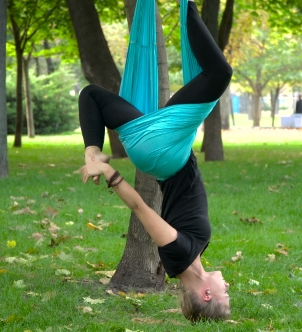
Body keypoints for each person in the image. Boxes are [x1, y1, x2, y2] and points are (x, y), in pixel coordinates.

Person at [78, 0, 231, 322]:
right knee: (92, 95)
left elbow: (142, 209)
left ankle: (187, 4)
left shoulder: (178, 255)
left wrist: (109, 172)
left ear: (206, 294)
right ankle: (91, 149)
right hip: (161, 152)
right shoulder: (191, 260)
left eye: (225, 294)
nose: (227, 286)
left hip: (164, 153)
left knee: (219, 73)